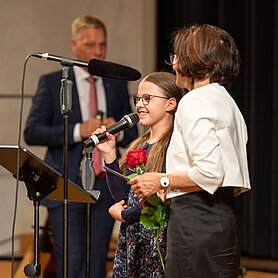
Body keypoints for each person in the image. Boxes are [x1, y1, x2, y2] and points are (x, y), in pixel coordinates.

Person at [130, 24, 251, 278]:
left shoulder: (195, 100)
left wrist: (161, 180)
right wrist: (170, 190)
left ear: (195, 60)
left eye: (176, 56)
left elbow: (210, 172)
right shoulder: (226, 101)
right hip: (223, 219)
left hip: (197, 223)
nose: (173, 64)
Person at [24, 15, 138, 278]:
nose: (97, 52)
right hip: (66, 183)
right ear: (74, 45)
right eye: (90, 45)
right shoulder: (52, 83)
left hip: (106, 185)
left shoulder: (116, 83)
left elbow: (134, 135)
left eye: (102, 45)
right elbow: (32, 132)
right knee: (72, 261)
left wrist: (117, 132)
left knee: (97, 259)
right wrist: (78, 131)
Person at [92, 72, 184, 277]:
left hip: (158, 240)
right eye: (138, 99)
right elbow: (125, 197)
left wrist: (125, 216)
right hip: (135, 239)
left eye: (148, 98)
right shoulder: (139, 145)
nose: (140, 104)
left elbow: (159, 201)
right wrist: (109, 154)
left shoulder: (174, 147)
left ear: (170, 104)